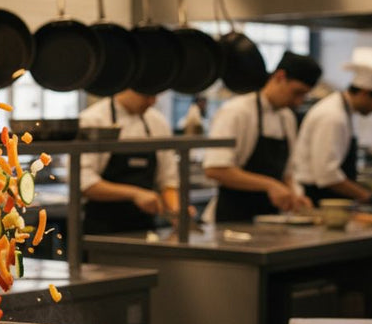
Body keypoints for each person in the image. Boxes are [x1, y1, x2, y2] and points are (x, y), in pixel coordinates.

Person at [204, 51, 322, 223]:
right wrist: (270, 185)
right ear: (280, 77)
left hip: (269, 221)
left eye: (304, 96)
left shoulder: (287, 118)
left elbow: (286, 174)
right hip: (232, 219)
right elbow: (215, 169)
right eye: (297, 92)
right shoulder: (237, 112)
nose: (298, 101)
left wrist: (294, 195)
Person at [80, 89, 180, 234]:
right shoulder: (93, 119)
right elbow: (84, 183)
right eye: (147, 95)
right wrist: (135, 194)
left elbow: (167, 181)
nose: (153, 101)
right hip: (102, 230)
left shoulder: (158, 122)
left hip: (145, 229)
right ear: (127, 87)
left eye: (155, 95)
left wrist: (176, 211)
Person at [294, 47, 372, 205]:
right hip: (319, 199)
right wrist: (367, 196)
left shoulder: (342, 111)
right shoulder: (333, 116)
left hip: (327, 196)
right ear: (365, 93)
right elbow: (327, 176)